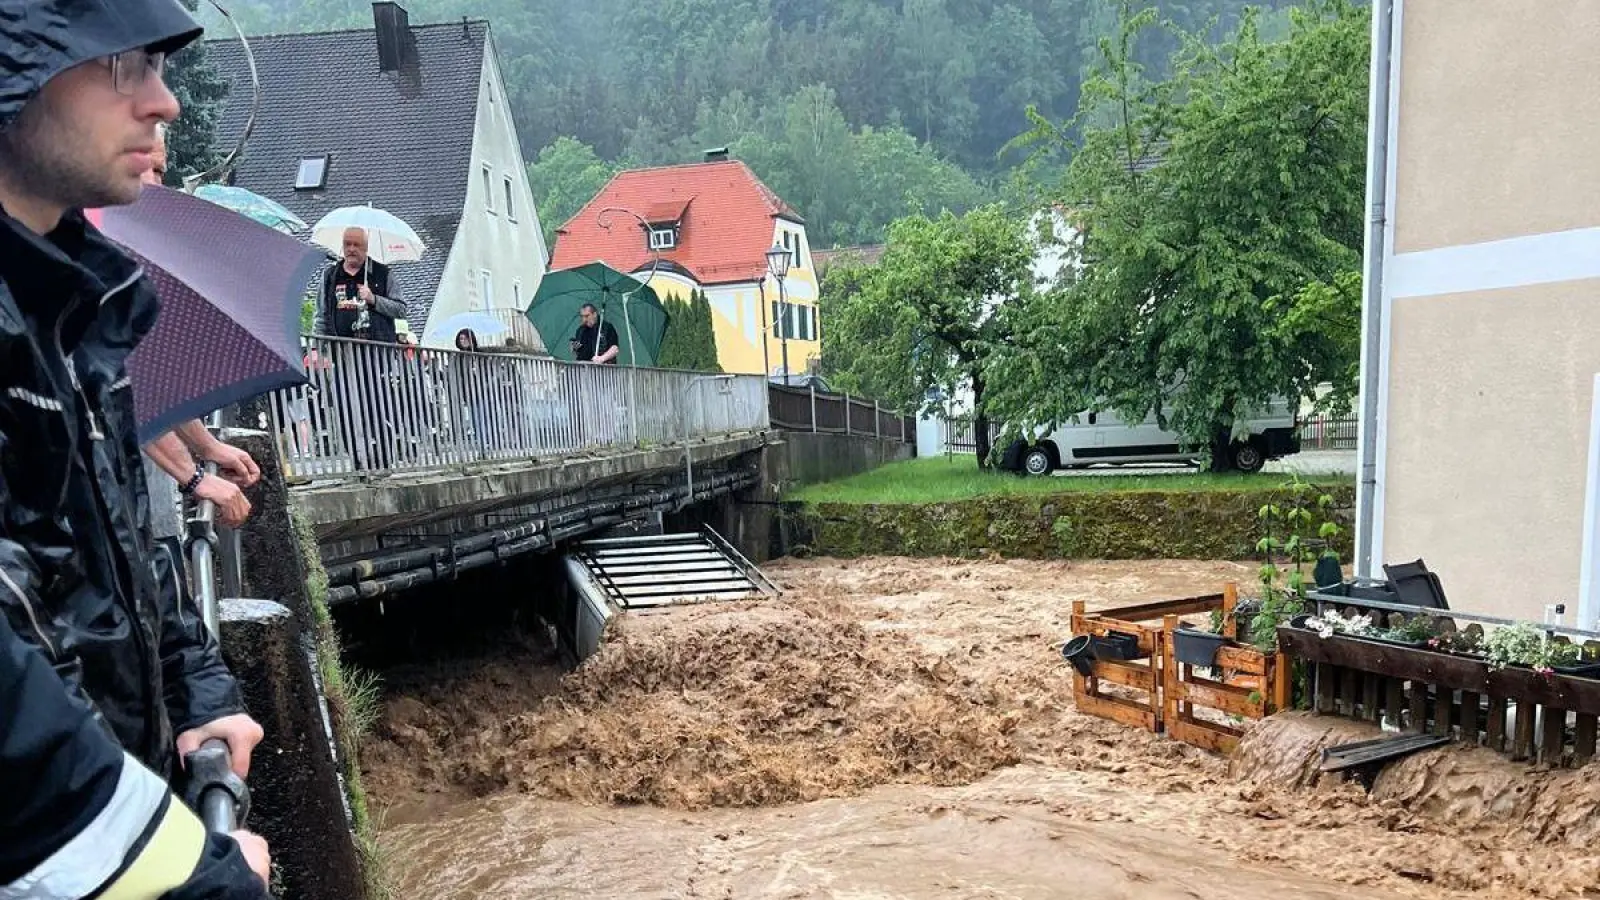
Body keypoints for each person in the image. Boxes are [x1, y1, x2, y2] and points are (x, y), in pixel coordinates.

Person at [0, 0, 270, 891]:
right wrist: (206, 880)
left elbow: (114, 554)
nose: (165, 104)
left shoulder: (71, 307)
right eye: (124, 64)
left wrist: (196, 687)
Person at [0, 611, 270, 897]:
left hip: (151, 796)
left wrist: (207, 699)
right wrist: (221, 881)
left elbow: (164, 601)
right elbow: (55, 798)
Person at [314, 227, 406, 343]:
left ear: (366, 247)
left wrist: (374, 299)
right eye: (347, 244)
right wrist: (315, 349)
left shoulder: (383, 274)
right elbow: (321, 317)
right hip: (340, 353)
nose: (351, 249)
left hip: (378, 354)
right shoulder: (330, 276)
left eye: (356, 244)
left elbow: (401, 310)